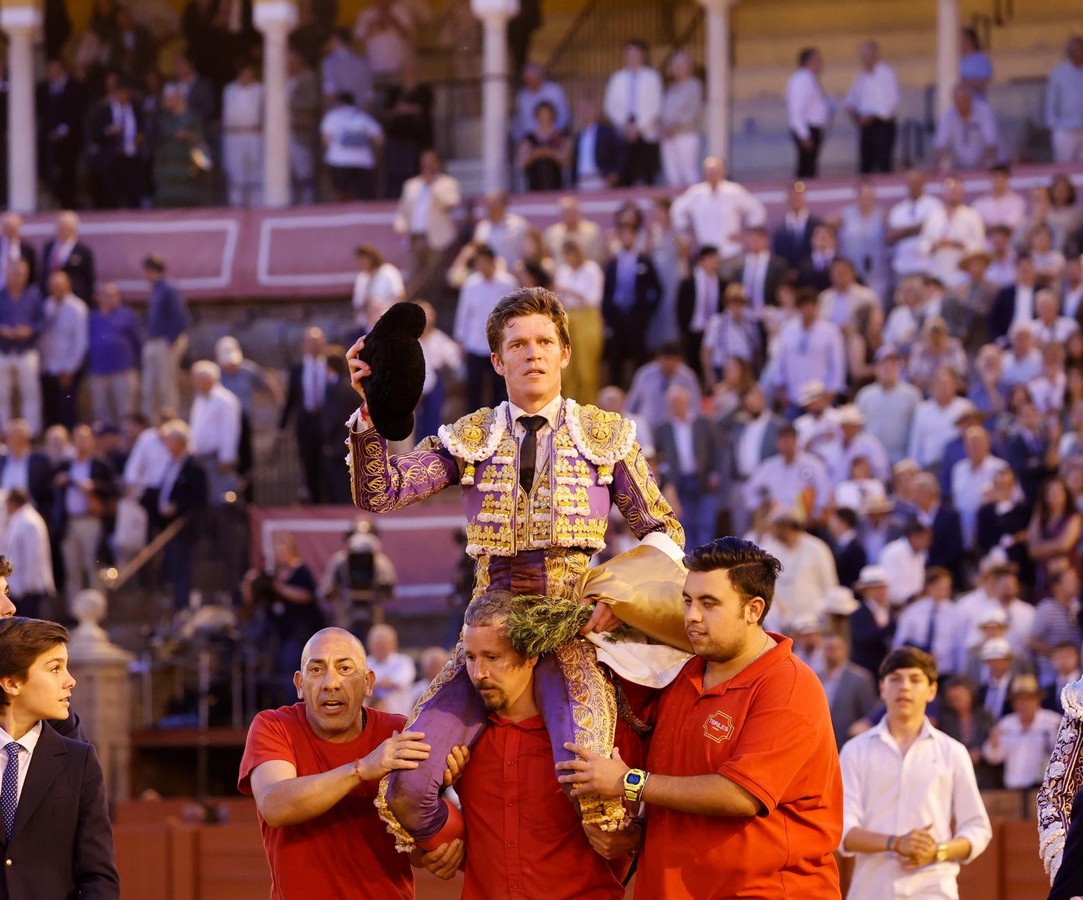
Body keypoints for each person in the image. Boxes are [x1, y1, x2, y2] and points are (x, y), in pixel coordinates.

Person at [345, 286, 684, 851]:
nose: (533, 353)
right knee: (408, 786)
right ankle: (457, 850)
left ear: (565, 353)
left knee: (599, 797)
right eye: (518, 344)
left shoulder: (606, 435)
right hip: (487, 636)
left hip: (572, 629)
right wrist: (372, 411)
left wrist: (622, 597)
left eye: (545, 341)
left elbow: (663, 530)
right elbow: (385, 493)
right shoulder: (472, 436)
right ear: (498, 360)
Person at [557, 537, 843, 897]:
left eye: (710, 604)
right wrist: (638, 832)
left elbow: (740, 795)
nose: (691, 616)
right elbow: (673, 788)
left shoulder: (788, 684)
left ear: (754, 610)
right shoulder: (682, 673)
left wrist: (628, 782)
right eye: (688, 600)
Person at [428, 589, 640, 897]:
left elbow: (643, 829)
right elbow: (423, 844)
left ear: (530, 656)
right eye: (471, 658)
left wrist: (631, 835)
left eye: (492, 657)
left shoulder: (599, 735)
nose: (479, 673)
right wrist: (432, 852)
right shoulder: (461, 741)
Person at [238, 626, 432, 900]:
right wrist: (361, 769)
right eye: (316, 670)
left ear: (368, 682)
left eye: (345, 668)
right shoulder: (274, 726)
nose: (331, 682)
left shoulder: (398, 733)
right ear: (299, 685)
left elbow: (418, 850)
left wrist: (440, 847)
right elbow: (275, 804)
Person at [839, 647, 992, 897]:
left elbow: (977, 827)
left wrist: (938, 851)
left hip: (933, 887)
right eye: (895, 679)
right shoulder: (855, 750)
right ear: (882, 688)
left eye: (915, 679)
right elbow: (841, 829)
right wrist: (895, 843)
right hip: (872, 888)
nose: (905, 687)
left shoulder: (952, 751)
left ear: (932, 691)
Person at [0, 617, 120, 899]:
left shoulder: (79, 761)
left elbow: (99, 876)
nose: (70, 681)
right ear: (12, 682)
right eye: (55, 669)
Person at [982, 673, 1062, 790]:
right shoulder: (1006, 723)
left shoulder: (1053, 721)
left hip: (1044, 788)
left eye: (1028, 699)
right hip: (1012, 787)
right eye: (1019, 700)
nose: (1024, 704)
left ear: (1037, 700)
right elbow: (994, 758)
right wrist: (994, 741)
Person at [603, 39, 663, 186]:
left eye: (636, 53)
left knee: (647, 174)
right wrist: (625, 126)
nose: (632, 56)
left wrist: (639, 127)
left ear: (642, 55)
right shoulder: (617, 78)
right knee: (624, 174)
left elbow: (656, 104)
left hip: (646, 131)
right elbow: (610, 106)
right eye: (629, 53)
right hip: (623, 131)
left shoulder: (652, 76)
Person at [140, 254, 188, 422]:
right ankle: (151, 421)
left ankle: (171, 419)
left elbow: (178, 316)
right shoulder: (156, 289)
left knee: (166, 384)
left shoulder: (168, 288)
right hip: (154, 340)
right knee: (150, 386)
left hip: (165, 342)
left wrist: (171, 339)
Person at [844, 40, 899, 173]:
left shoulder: (886, 74)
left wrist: (873, 115)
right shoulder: (861, 75)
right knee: (865, 166)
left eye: (867, 56)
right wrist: (851, 108)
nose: (864, 61)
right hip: (866, 126)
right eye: (862, 57)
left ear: (875, 55)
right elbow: (852, 97)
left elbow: (891, 103)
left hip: (882, 125)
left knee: (883, 164)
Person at [658, 52, 703, 189]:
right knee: (672, 174)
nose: (678, 69)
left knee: (689, 172)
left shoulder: (694, 85)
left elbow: (692, 110)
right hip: (668, 136)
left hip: (686, 134)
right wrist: (663, 127)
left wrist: (674, 127)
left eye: (682, 65)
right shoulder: (670, 88)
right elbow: (663, 110)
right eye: (675, 66)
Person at [786, 47, 832, 178]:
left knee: (810, 168)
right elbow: (796, 109)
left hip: (812, 129)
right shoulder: (802, 80)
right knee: (805, 169)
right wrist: (804, 134)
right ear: (809, 61)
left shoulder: (810, 80)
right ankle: (800, 194)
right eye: (818, 60)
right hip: (807, 130)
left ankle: (807, 194)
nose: (821, 64)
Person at [933, 84, 999, 171]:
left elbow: (990, 141)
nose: (961, 104)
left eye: (964, 100)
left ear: (970, 99)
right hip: (960, 167)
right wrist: (936, 166)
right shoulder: (948, 117)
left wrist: (989, 166)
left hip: (986, 166)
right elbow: (941, 144)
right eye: (957, 101)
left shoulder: (984, 112)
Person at [1045, 35, 1083, 164]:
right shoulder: (1058, 73)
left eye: (1079, 48)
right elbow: (1051, 101)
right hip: (1064, 129)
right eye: (1072, 49)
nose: (1076, 52)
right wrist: (1054, 127)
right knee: (1063, 166)